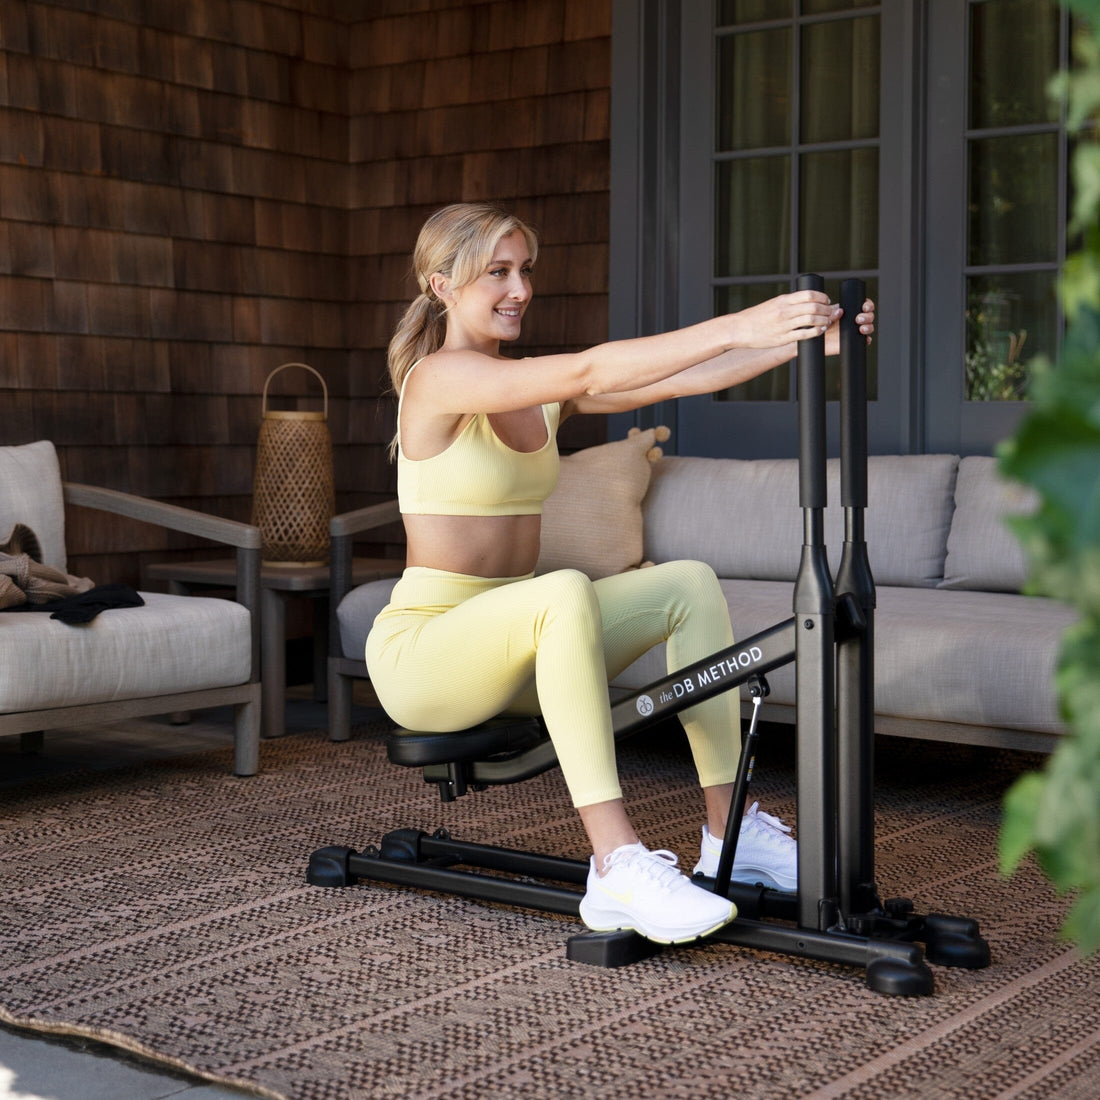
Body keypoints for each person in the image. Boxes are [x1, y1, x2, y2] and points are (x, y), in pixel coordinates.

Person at [366, 202, 875, 945]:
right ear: (442, 286)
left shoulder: (532, 392)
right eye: (497, 273)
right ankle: (615, 864)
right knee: (562, 589)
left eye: (525, 270)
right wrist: (745, 321)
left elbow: (683, 378)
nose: (520, 290)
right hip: (428, 653)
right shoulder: (437, 378)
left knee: (686, 582)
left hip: (517, 648)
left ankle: (729, 833)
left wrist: (800, 344)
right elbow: (591, 366)